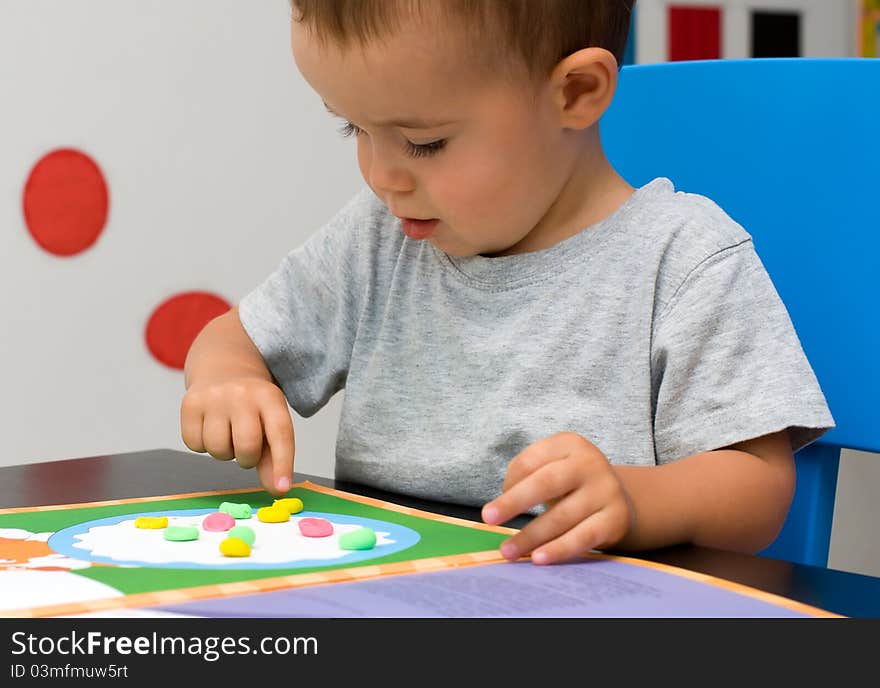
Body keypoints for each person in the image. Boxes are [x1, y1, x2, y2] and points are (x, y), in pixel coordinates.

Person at [180, 0, 833, 565]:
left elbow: (760, 486)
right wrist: (227, 380)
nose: (381, 176)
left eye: (424, 142)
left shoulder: (683, 260)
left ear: (575, 93)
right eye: (353, 127)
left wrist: (635, 501)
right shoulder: (376, 239)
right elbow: (231, 339)